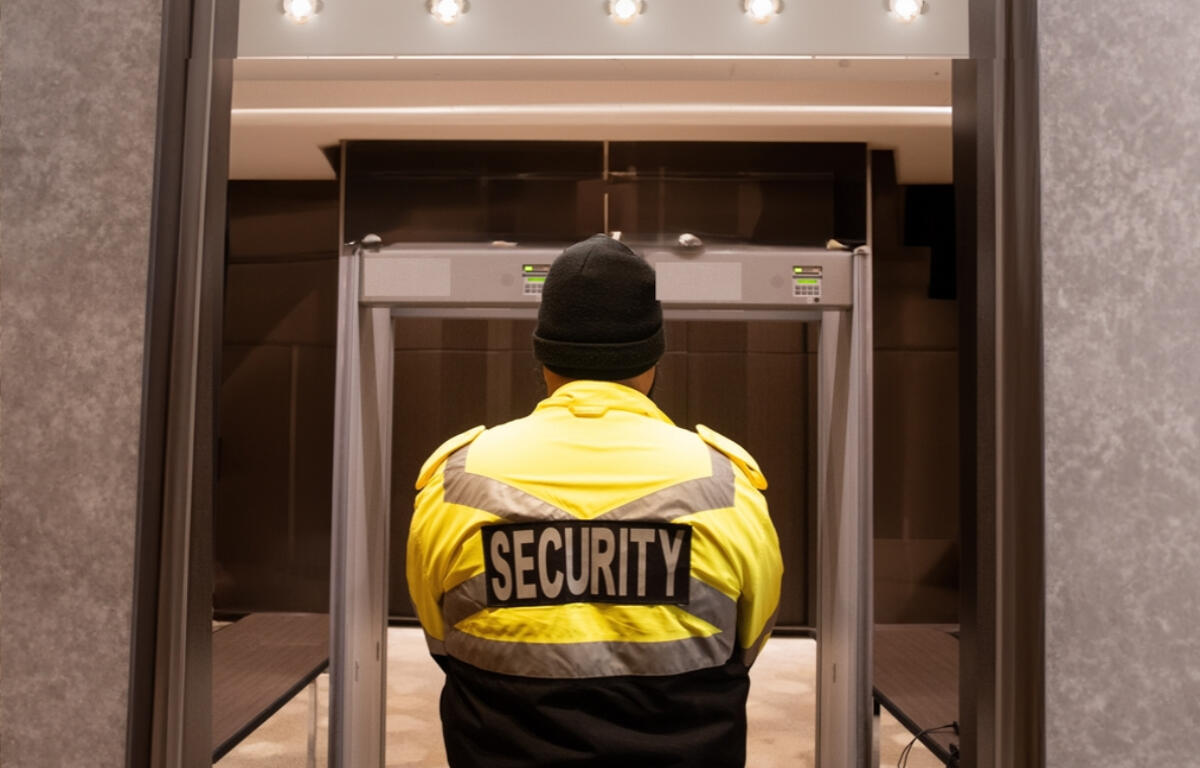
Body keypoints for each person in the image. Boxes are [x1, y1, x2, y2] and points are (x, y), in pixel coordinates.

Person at [407, 234, 783, 768]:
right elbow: (748, 643)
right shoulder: (726, 480)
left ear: (544, 357)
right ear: (653, 356)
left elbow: (441, 639)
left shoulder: (456, 478)